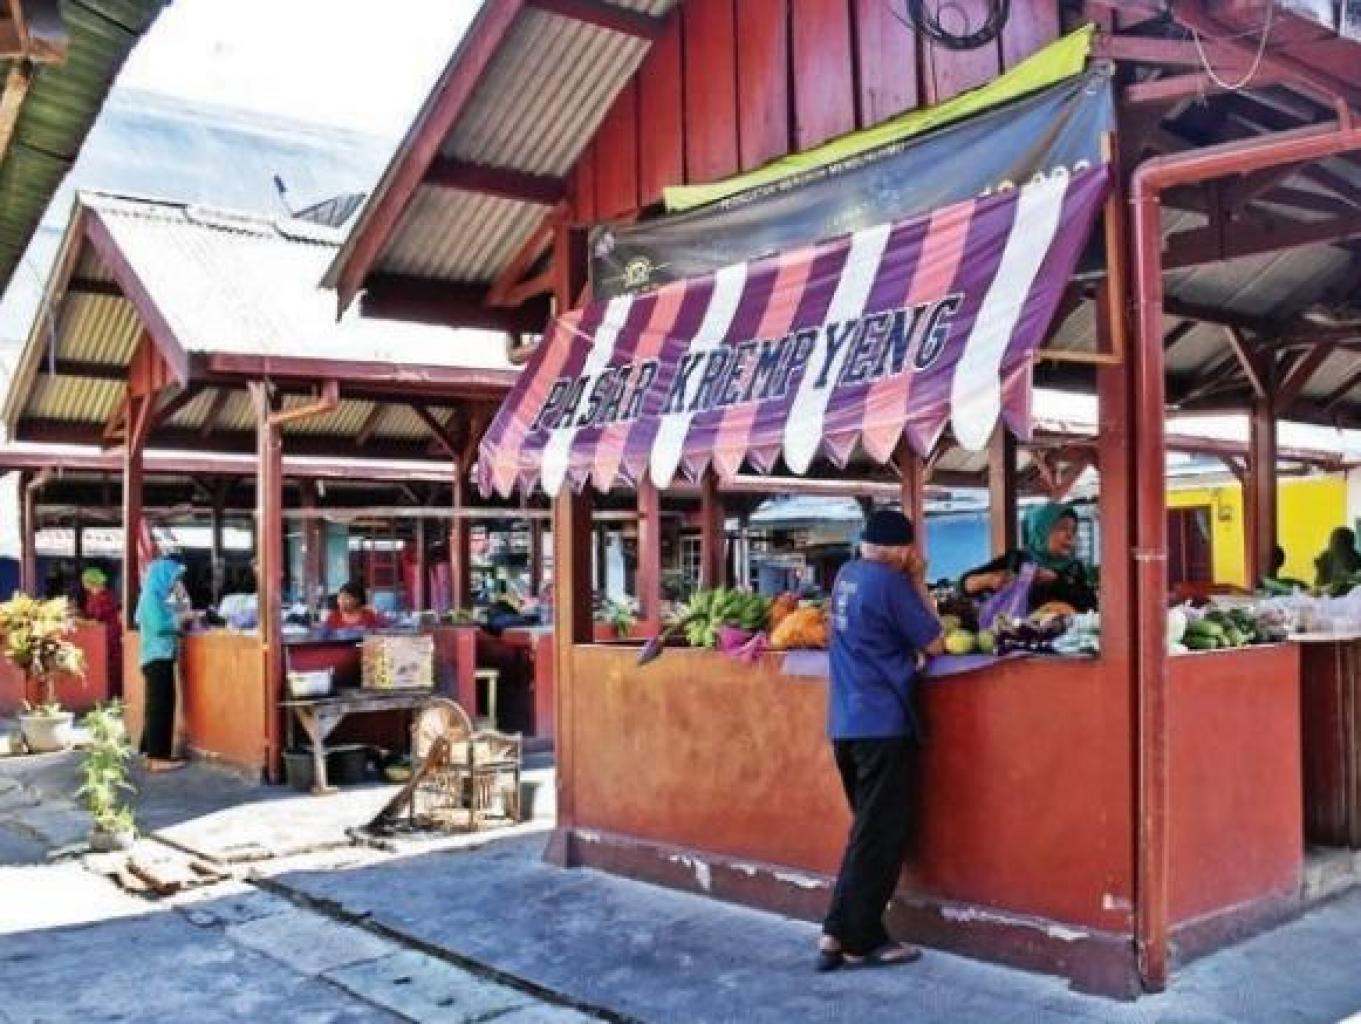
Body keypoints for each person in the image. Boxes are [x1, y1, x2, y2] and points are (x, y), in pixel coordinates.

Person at [817, 509, 944, 972]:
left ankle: (835, 933)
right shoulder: (891, 583)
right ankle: (863, 940)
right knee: (880, 836)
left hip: (846, 723)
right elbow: (935, 642)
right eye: (909, 548)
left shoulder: (846, 576)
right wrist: (918, 581)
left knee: (866, 833)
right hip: (883, 724)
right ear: (899, 550)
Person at [959, 501, 1097, 613]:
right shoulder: (1016, 560)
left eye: (1073, 530)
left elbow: (1091, 605)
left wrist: (1057, 582)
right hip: (1016, 638)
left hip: (1066, 639)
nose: (1070, 535)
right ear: (1039, 531)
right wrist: (988, 580)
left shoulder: (1074, 567)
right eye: (1062, 528)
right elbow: (963, 585)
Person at [135, 558, 190, 772]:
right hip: (157, 657)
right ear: (163, 577)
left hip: (157, 657)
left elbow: (181, 607)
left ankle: (149, 752)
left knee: (156, 706)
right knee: (161, 707)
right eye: (174, 578)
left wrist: (181, 597)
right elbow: (160, 626)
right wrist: (181, 619)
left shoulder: (156, 596)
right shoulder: (151, 597)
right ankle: (158, 757)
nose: (176, 582)